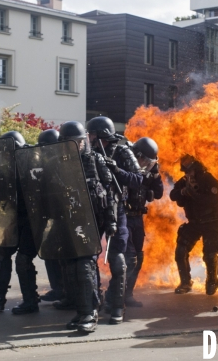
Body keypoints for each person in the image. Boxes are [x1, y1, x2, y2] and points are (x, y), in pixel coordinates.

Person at [56, 121, 117, 332]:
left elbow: (109, 193)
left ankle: (90, 313)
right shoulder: (59, 163)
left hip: (93, 219)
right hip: (70, 220)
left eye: (80, 142)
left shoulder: (96, 160)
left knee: (84, 265)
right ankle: (82, 311)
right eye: (72, 142)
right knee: (71, 266)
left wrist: (111, 220)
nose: (77, 145)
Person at [0, 131, 42, 315]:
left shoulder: (32, 165)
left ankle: (30, 301)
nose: (4, 155)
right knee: (2, 253)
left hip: (34, 222)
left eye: (7, 151)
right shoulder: (7, 168)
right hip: (17, 220)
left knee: (23, 259)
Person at [86, 116, 143, 324]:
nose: (90, 138)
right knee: (88, 259)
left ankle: (117, 305)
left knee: (118, 260)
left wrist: (117, 170)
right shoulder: (87, 153)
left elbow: (138, 180)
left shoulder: (123, 151)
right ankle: (93, 302)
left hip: (116, 210)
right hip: (93, 210)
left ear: (103, 135)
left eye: (93, 134)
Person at [169, 154, 218, 295]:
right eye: (186, 172)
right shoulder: (185, 181)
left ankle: (212, 280)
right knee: (181, 250)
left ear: (197, 168)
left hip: (211, 222)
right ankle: (186, 282)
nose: (188, 174)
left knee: (210, 254)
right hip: (194, 222)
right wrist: (183, 191)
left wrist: (194, 193)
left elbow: (210, 202)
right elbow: (172, 195)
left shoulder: (209, 180)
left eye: (190, 171)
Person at [124, 137, 164, 307]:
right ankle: (117, 295)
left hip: (137, 218)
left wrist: (155, 174)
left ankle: (127, 294)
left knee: (138, 257)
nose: (146, 164)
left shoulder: (148, 173)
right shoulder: (125, 166)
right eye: (145, 160)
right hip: (123, 217)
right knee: (128, 258)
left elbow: (159, 193)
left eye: (150, 162)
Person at [35, 129, 67, 303]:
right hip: (55, 215)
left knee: (64, 254)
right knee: (49, 250)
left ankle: (65, 289)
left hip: (66, 217)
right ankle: (59, 288)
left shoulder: (65, 163)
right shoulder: (49, 164)